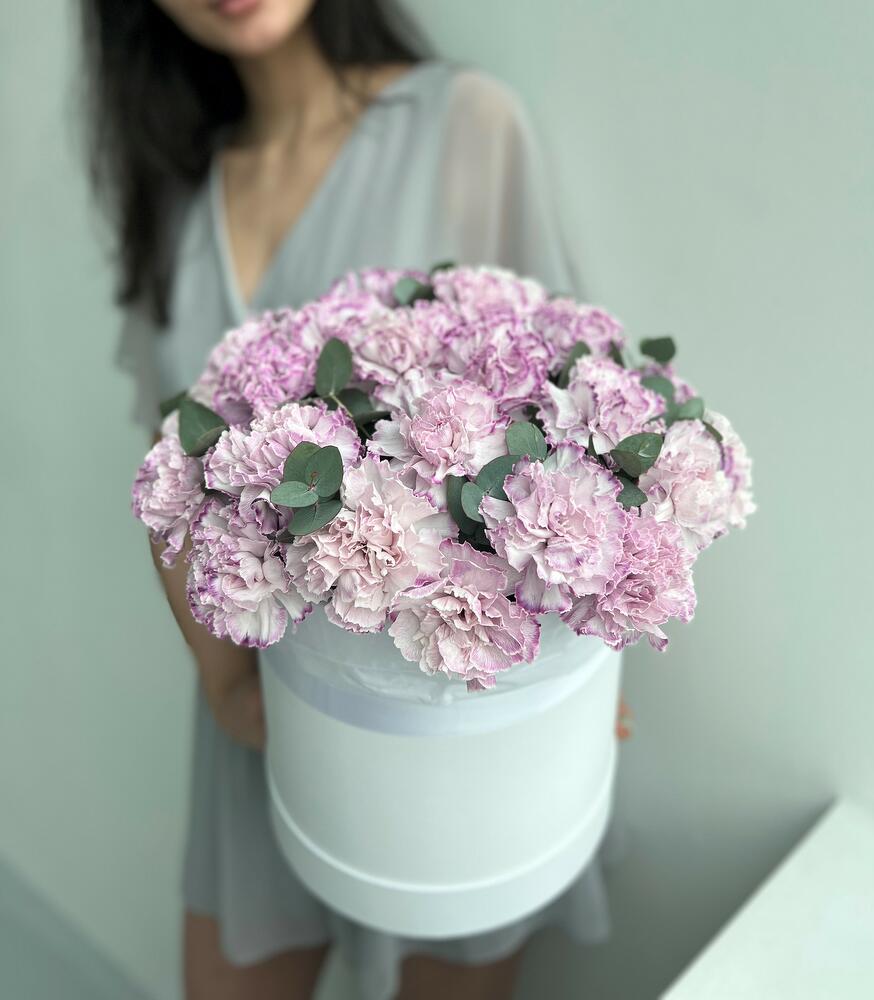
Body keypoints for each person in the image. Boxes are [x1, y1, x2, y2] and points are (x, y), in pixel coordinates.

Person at [83, 1, 616, 997]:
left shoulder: (465, 124)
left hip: (454, 732)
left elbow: (573, 427)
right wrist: (226, 686)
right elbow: (168, 483)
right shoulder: (178, 200)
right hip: (258, 710)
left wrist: (581, 680)